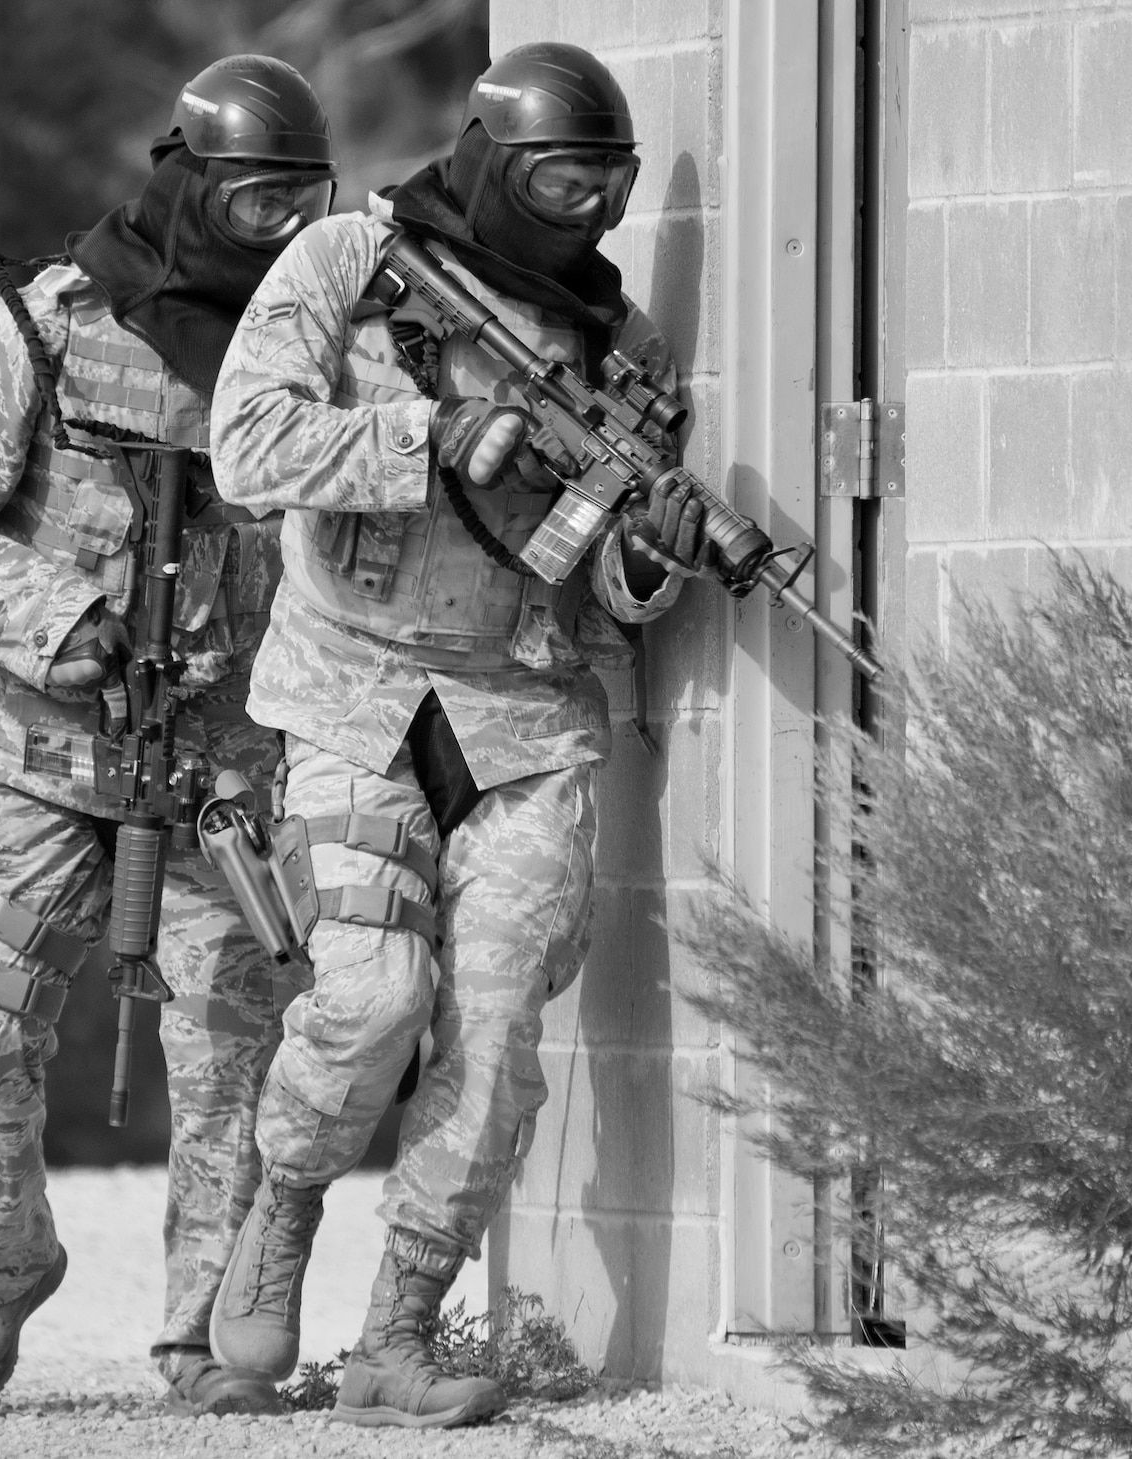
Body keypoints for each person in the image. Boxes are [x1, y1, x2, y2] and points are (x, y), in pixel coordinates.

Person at [206, 42, 709, 1429]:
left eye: (610, 186)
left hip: (526, 715)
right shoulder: (346, 267)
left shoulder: (623, 349)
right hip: (354, 695)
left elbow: (599, 577)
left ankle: (397, 1338)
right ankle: (286, 1203)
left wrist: (653, 557)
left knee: (495, 1047)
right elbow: (245, 448)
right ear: (493, 157)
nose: (591, 215)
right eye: (560, 179)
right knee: (368, 1005)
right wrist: (435, 436)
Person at [0, 56, 338, 1416]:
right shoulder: (40, 330)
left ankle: (205, 1339)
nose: (276, 232)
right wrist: (56, 618)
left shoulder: (326, 348)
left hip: (226, 777)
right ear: (185, 180)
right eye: (251, 200)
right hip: (33, 753)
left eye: (302, 203)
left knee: (235, 1064)